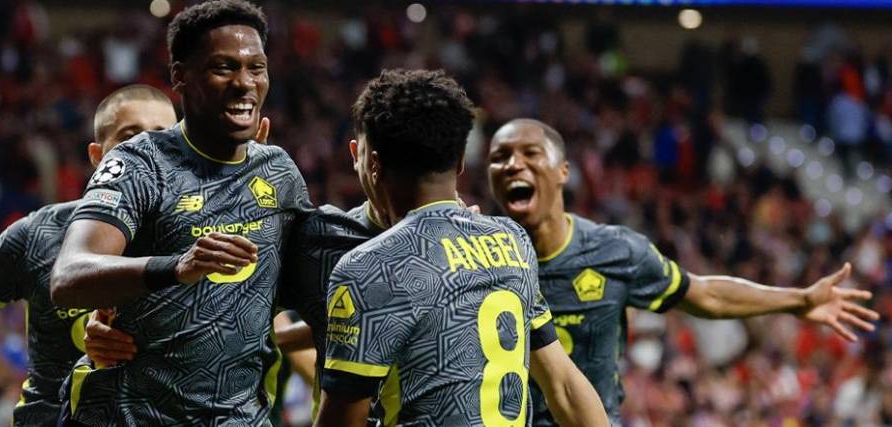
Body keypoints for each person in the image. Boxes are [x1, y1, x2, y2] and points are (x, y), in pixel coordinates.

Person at [486, 118, 881, 426]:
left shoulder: (614, 250)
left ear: (564, 171)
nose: (512, 164)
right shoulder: (475, 258)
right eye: (499, 156)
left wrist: (797, 300)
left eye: (530, 153)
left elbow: (705, 294)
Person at [49, 0, 311, 424]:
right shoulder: (139, 164)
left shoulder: (279, 171)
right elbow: (68, 277)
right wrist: (177, 268)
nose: (244, 83)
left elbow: (317, 282)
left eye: (256, 67)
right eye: (224, 67)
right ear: (180, 76)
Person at [312, 69, 608, 427]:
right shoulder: (512, 241)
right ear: (461, 163)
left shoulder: (368, 267)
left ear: (373, 164)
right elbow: (563, 386)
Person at [0, 84, 178, 427]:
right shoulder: (39, 235)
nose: (147, 149)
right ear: (98, 156)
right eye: (130, 137)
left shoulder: (202, 240)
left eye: (161, 137)